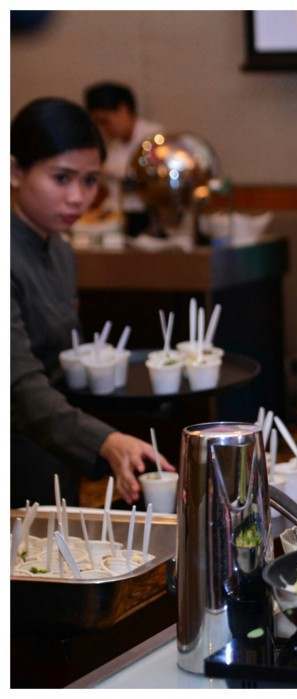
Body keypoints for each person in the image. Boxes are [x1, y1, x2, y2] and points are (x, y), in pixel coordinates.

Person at [11, 97, 173, 507]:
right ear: (15, 171)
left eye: (89, 181)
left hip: (52, 439)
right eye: (61, 178)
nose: (78, 198)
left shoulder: (60, 248)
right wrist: (104, 440)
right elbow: (18, 385)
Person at [83, 82, 163, 236]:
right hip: (116, 218)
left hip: (146, 220)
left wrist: (105, 170)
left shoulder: (155, 137)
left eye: (105, 121)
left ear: (123, 110)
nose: (102, 129)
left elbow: (149, 177)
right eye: (97, 123)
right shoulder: (113, 145)